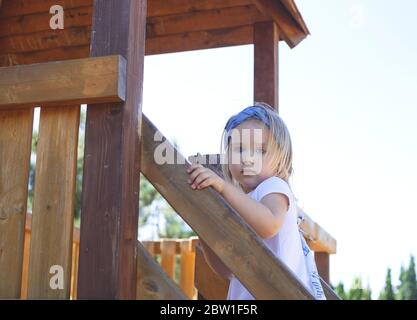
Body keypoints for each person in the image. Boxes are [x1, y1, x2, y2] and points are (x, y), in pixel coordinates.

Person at [186, 102, 325, 300]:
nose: (248, 159)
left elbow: (268, 224)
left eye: (260, 151)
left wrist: (225, 187)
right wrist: (202, 227)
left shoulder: (274, 186)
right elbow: (228, 269)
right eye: (239, 149)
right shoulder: (242, 204)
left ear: (280, 158)